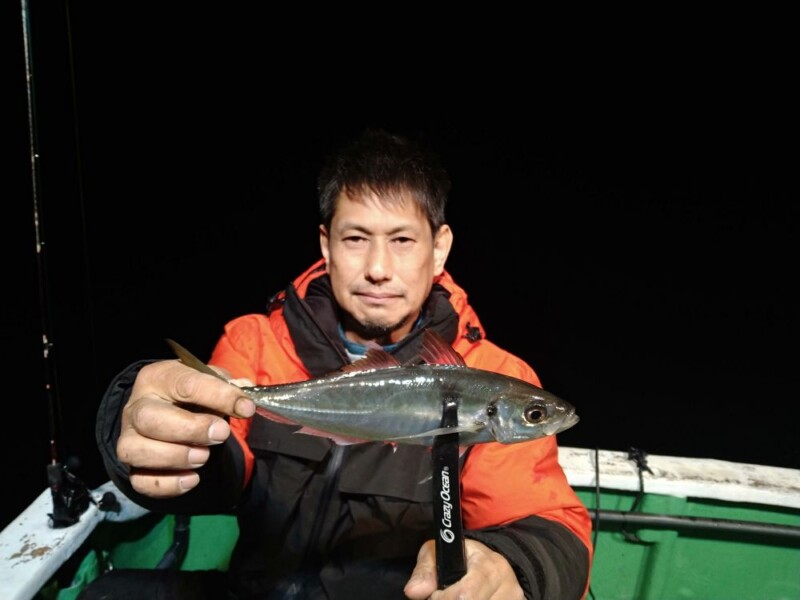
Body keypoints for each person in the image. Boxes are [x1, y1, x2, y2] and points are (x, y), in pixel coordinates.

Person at [92, 129, 593, 599]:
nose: (377, 269)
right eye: (355, 238)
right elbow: (219, 468)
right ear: (326, 246)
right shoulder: (255, 343)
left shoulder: (499, 372)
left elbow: (546, 521)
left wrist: (513, 565)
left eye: (402, 240)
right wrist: (151, 427)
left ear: (439, 249)